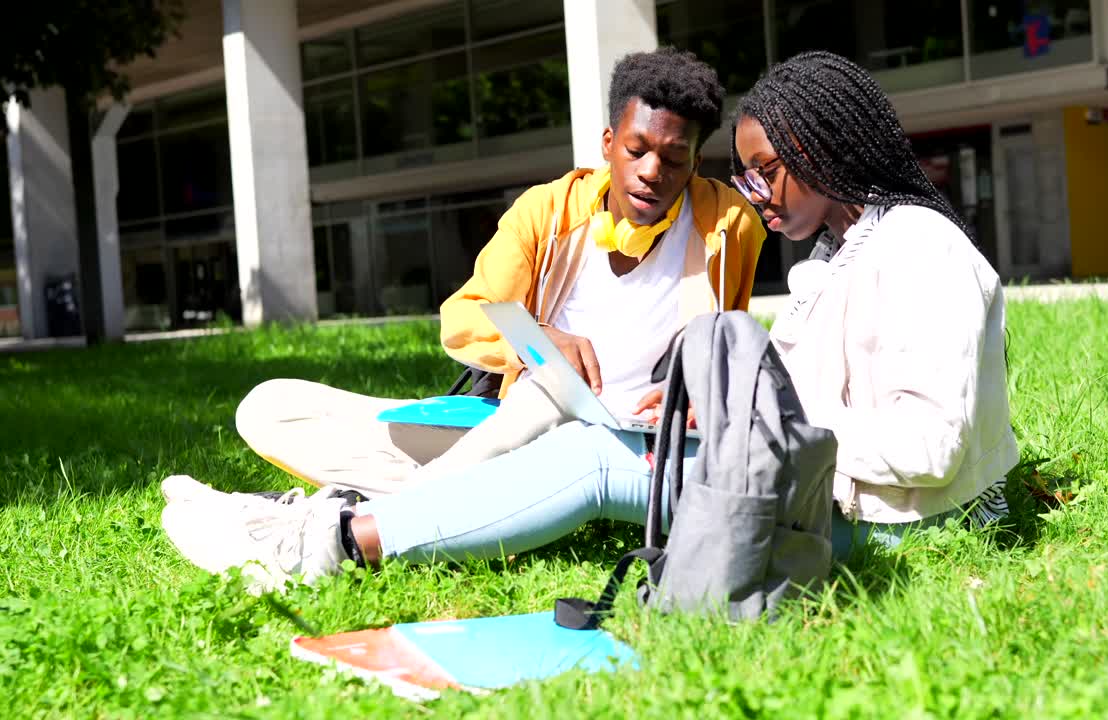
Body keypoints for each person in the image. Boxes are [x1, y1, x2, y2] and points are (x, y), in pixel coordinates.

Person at [161, 52, 1018, 593]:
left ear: (827, 155)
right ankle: (335, 514)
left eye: (766, 173)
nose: (755, 193)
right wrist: (708, 417)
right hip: (806, 480)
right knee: (565, 426)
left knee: (598, 458)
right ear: (606, 142)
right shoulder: (840, 253)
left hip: (892, 515)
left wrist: (738, 428)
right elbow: (468, 318)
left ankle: (330, 540)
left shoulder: (917, 249)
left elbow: (931, 445)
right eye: (749, 174)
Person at [227, 47, 765, 499]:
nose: (652, 172)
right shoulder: (548, 210)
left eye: (674, 159)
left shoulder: (729, 226)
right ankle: (464, 492)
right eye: (636, 149)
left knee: (543, 396)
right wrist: (540, 345)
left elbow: (732, 349)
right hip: (517, 430)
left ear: (696, 163)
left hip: (633, 442)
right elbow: (461, 319)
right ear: (608, 144)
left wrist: (700, 389)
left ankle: (396, 508)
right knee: (268, 407)